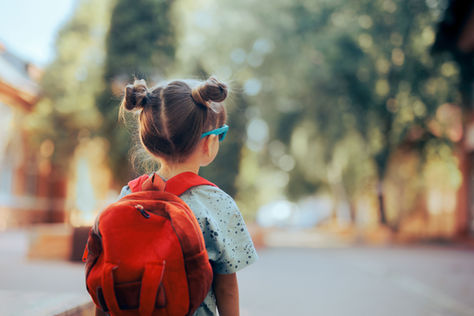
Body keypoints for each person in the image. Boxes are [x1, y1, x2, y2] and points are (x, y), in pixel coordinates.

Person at [116, 76, 258, 316]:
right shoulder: (217, 203)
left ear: (147, 141)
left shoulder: (128, 195)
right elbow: (227, 288)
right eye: (219, 135)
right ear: (208, 143)